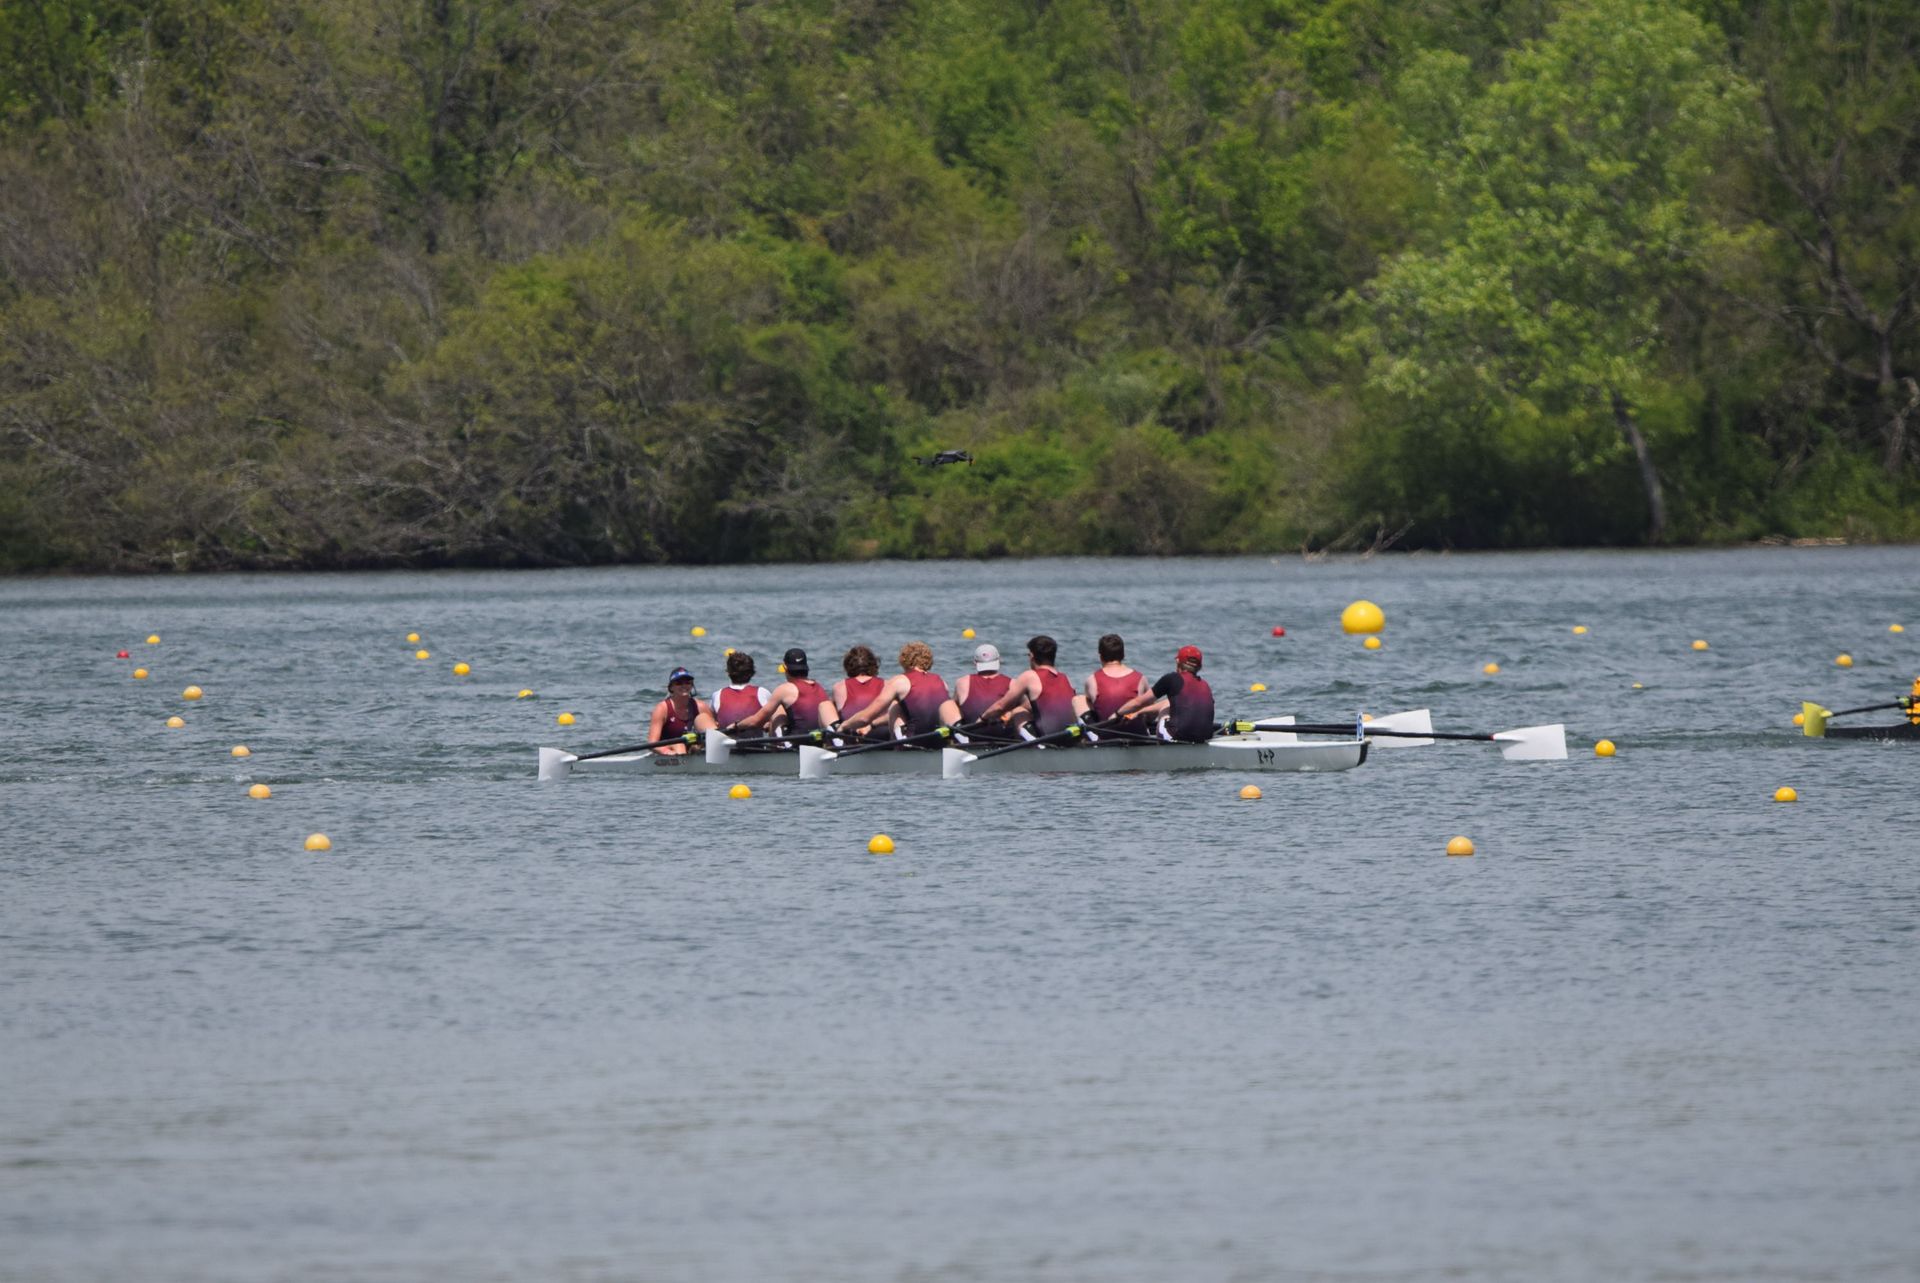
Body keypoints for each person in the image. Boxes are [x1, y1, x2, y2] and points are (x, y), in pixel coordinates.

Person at [839, 641, 963, 739]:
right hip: (939, 743)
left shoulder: (899, 681)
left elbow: (865, 717)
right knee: (948, 704)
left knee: (895, 707)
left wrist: (844, 725)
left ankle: (898, 746)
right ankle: (960, 739)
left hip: (912, 744)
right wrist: (872, 725)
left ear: (903, 660)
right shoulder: (942, 682)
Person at [976, 634, 1087, 739]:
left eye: (1028, 655)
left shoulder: (1029, 676)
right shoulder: (1064, 678)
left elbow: (1001, 706)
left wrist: (982, 719)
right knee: (1025, 707)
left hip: (1049, 739)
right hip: (1071, 736)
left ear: (1032, 656)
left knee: (1018, 712)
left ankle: (1035, 746)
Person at [728, 648, 839, 738]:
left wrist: (736, 726)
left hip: (796, 744)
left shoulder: (784, 689)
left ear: (786, 669)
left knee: (778, 709)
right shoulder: (819, 687)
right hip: (817, 741)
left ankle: (778, 748)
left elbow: (755, 721)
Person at [1114, 644, 1215, 742]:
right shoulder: (1205, 685)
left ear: (1178, 661)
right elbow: (1167, 703)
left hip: (1177, 737)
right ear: (1199, 666)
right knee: (1170, 703)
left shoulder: (1172, 679)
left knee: (1164, 711)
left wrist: (1117, 714)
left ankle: (1160, 746)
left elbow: (1139, 702)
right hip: (1204, 737)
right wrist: (1139, 712)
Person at [1083, 633, 1150, 732]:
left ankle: (1092, 732)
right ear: (1123, 655)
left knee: (1079, 699)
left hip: (1106, 734)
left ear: (1100, 656)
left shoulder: (1092, 680)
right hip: (1137, 733)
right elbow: (1150, 712)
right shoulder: (1141, 678)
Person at [646, 667, 717, 754]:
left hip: (694, 750)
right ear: (671, 688)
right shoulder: (662, 709)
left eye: (687, 682)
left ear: (692, 686)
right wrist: (666, 752)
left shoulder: (701, 707)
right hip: (671, 752)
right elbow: (652, 743)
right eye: (679, 683)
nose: (684, 686)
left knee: (703, 718)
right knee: (679, 745)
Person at [954, 643, 1016, 736]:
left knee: (949, 704)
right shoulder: (1013, 683)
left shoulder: (962, 682)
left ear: (975, 663)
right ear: (999, 661)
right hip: (1003, 734)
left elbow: (955, 706)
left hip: (973, 732)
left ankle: (959, 735)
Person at [833, 645, 887, 740]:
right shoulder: (887, 684)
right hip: (881, 735)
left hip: (852, 736)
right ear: (874, 665)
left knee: (828, 705)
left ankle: (835, 740)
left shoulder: (839, 686)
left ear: (847, 666)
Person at [710, 651, 770, 730]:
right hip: (758, 742)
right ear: (752, 673)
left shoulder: (717, 695)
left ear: (728, 672)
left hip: (726, 741)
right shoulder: (763, 693)